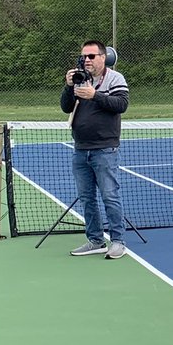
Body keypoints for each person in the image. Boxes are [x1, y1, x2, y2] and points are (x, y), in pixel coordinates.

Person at [60, 40, 130, 258]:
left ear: (103, 57)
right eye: (84, 57)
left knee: (110, 196)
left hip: (104, 149)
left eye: (91, 56)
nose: (86, 60)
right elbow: (66, 107)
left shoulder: (115, 78)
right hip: (81, 149)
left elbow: (121, 105)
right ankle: (95, 239)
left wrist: (95, 95)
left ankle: (118, 241)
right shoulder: (80, 79)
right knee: (86, 197)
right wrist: (68, 86)